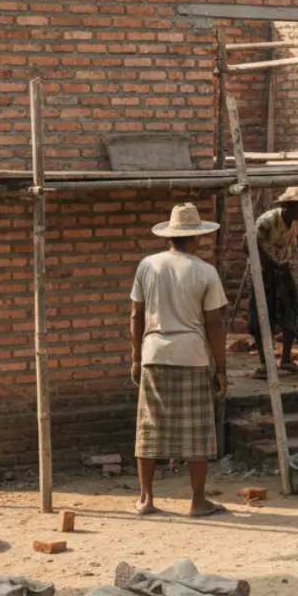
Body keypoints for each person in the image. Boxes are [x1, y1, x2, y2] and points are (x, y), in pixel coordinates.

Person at [130, 202, 229, 518]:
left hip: (154, 353)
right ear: (197, 237)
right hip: (192, 356)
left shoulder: (148, 265)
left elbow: (136, 315)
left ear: (170, 236)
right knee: (196, 432)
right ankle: (198, 501)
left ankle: (146, 498)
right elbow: (214, 323)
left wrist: (136, 358)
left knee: (149, 428)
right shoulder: (206, 271)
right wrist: (221, 368)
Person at [250, 187, 298, 379]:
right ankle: (265, 364)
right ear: (289, 205)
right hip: (262, 271)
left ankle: (286, 360)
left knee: (291, 311)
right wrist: (268, 264)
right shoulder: (267, 221)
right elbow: (247, 246)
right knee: (262, 316)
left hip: (283, 267)